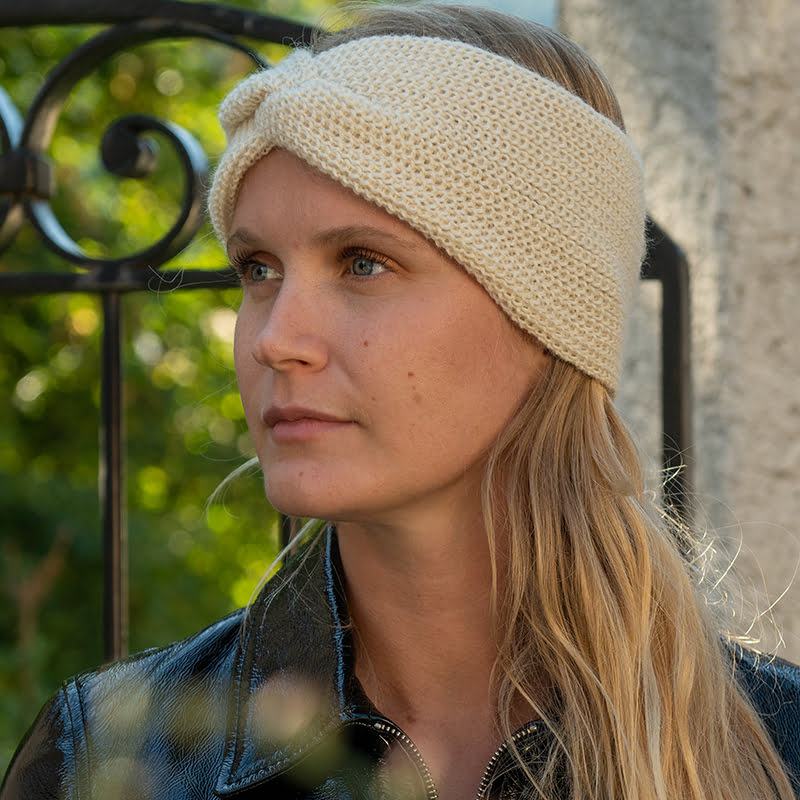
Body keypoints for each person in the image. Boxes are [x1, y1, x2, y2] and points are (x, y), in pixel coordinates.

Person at [2, 3, 799, 799]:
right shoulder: (108, 754)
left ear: (548, 319)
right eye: (258, 269)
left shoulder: (778, 747)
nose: (276, 339)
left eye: (362, 263)